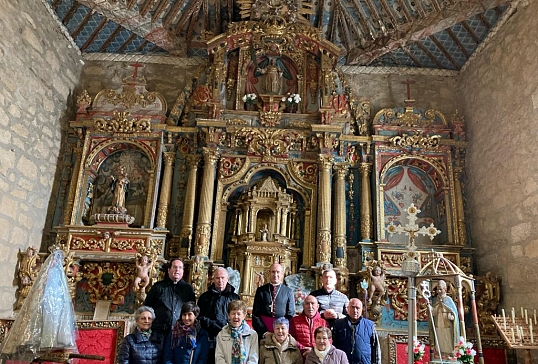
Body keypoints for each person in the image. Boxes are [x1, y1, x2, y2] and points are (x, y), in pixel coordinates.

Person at [197, 267, 240, 364]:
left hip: (228, 336)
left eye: (222, 278)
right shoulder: (205, 297)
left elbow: (238, 317)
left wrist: (226, 325)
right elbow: (199, 316)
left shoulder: (234, 297)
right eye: (217, 278)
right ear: (213, 279)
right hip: (209, 337)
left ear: (227, 279)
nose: (220, 281)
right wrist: (211, 324)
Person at [144, 258, 196, 337]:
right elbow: (147, 308)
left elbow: (192, 310)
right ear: (169, 270)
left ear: (183, 271)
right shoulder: (158, 287)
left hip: (180, 332)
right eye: (174, 267)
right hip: (158, 332)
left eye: (180, 268)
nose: (177, 270)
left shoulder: (188, 289)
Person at [252, 263, 295, 339]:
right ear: (269, 273)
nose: (275, 275)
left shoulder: (288, 291)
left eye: (278, 272)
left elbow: (290, 314)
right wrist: (264, 332)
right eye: (273, 272)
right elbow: (256, 314)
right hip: (264, 331)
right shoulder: (261, 291)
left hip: (282, 332)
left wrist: (282, 330)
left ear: (282, 274)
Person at [332, 298, 380, 364]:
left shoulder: (370, 325)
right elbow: (332, 346)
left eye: (357, 308)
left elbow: (376, 348)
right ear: (347, 308)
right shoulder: (338, 324)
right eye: (352, 307)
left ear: (362, 309)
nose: (355, 310)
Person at [215, 300, 258, 364]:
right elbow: (219, 357)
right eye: (233, 313)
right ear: (229, 315)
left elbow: (253, 358)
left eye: (238, 314)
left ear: (244, 316)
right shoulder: (221, 334)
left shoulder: (252, 334)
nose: (235, 317)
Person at [432, 279, 460, 358]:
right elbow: (434, 311)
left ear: (445, 289)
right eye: (438, 289)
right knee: (440, 337)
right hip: (438, 323)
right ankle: (440, 352)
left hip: (447, 324)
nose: (439, 291)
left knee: (447, 338)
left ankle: (450, 353)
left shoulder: (448, 300)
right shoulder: (437, 300)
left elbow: (454, 312)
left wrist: (452, 316)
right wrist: (431, 309)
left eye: (441, 289)